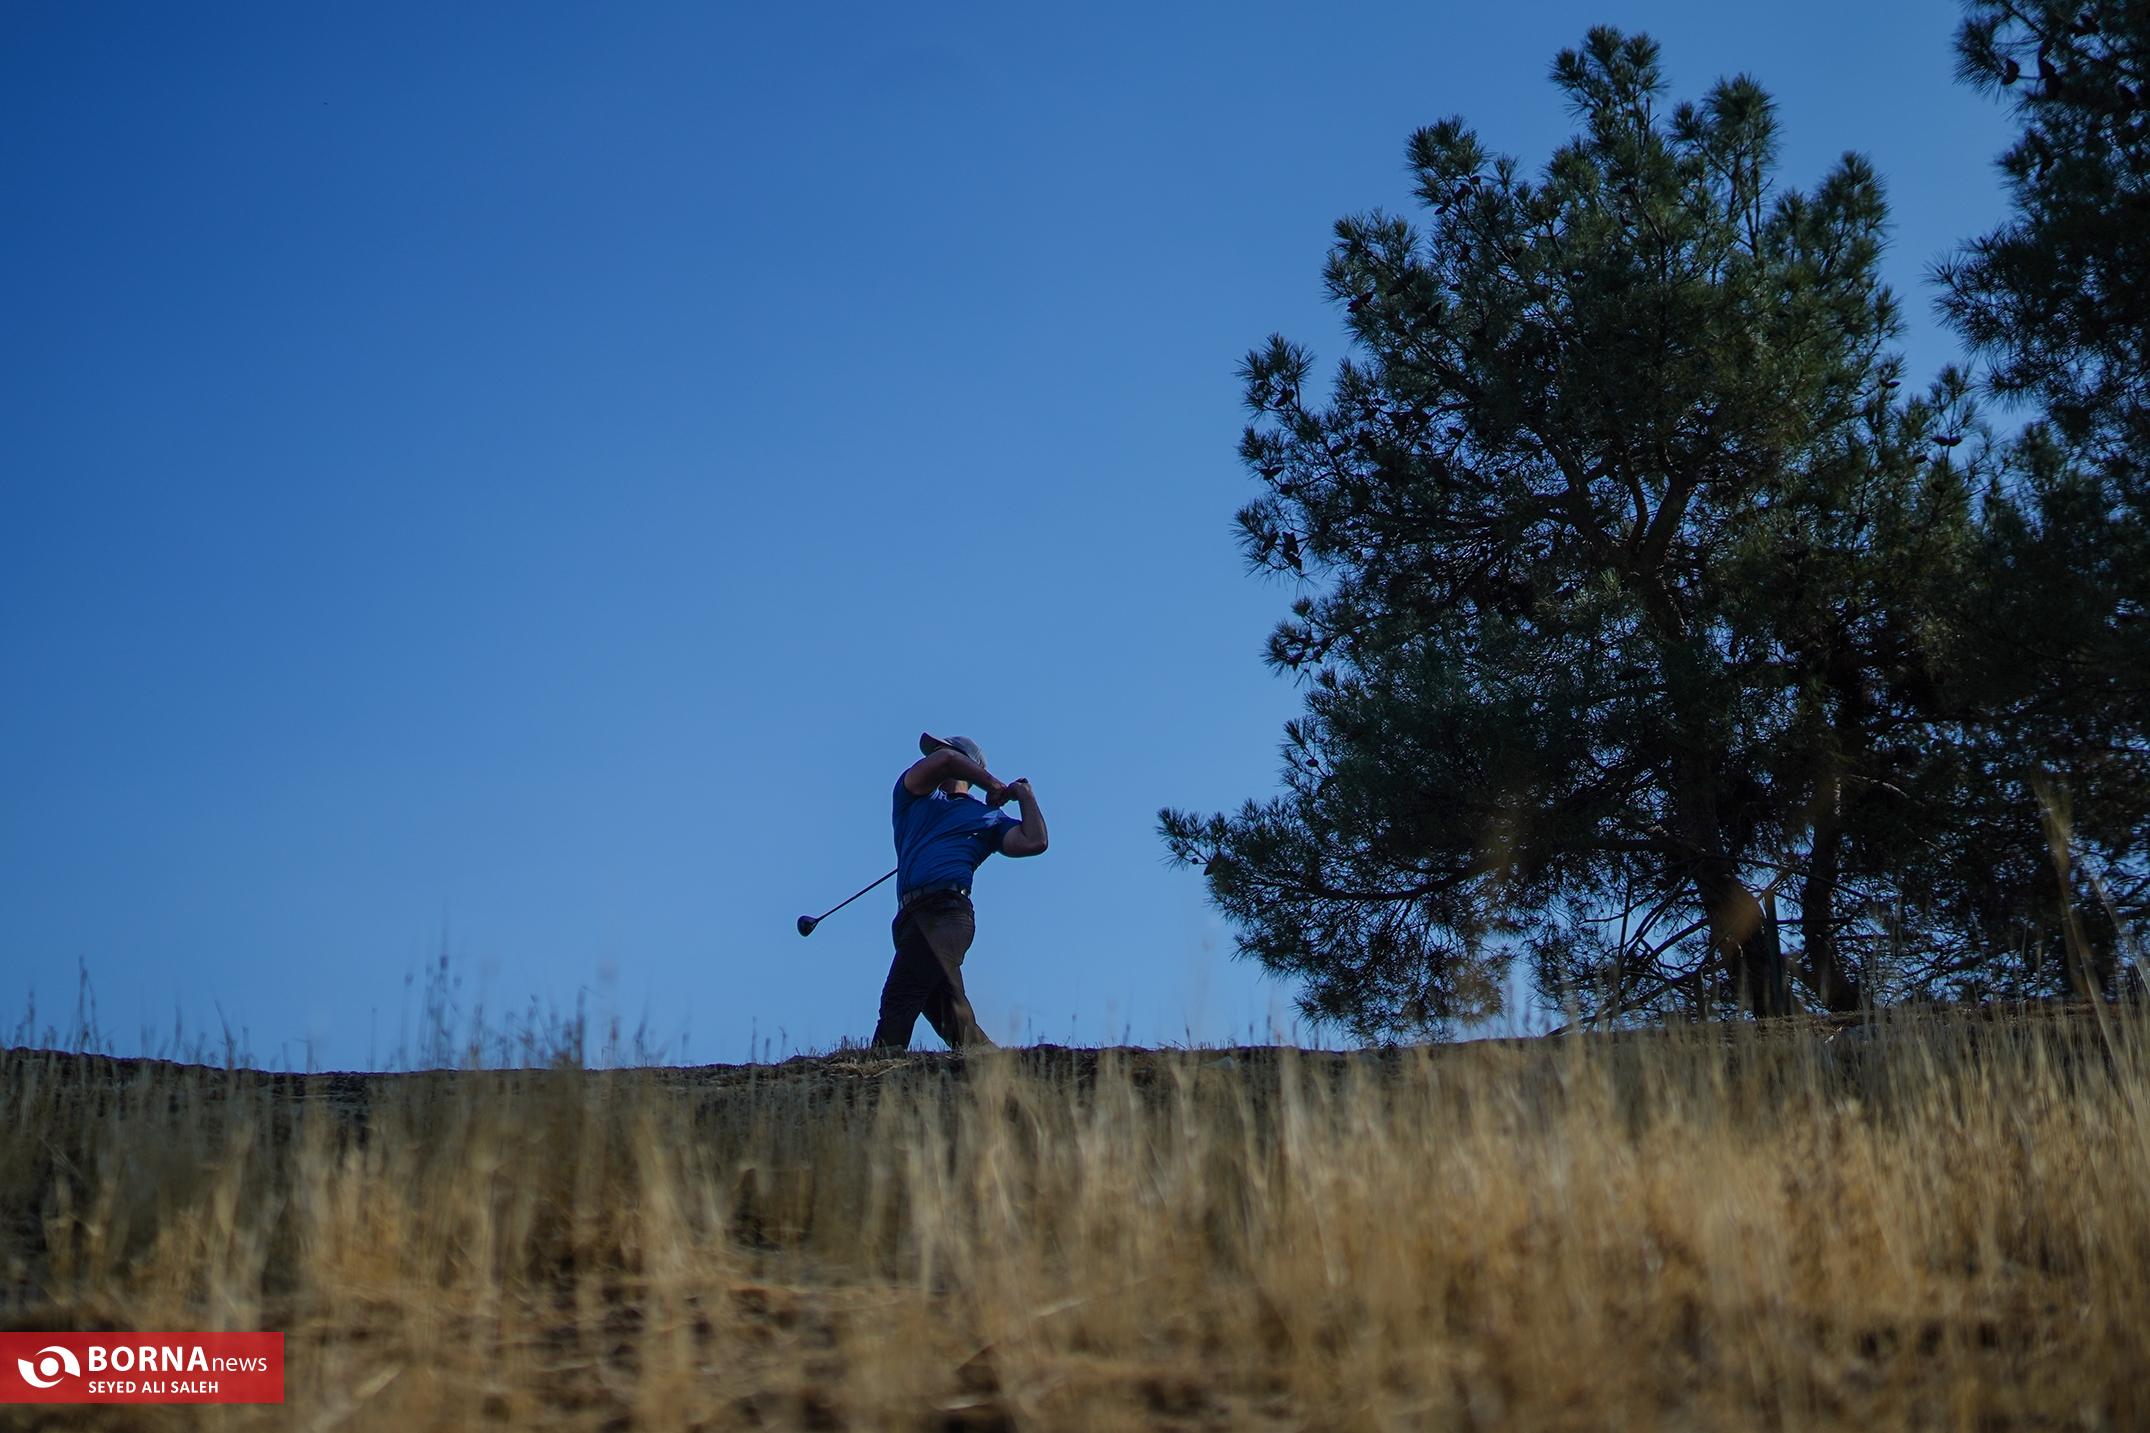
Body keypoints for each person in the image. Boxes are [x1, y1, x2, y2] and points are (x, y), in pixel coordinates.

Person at [871, 731, 1049, 1050]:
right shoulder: (913, 795)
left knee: (899, 996)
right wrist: (994, 784)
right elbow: (945, 760)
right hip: (909, 919)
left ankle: (875, 1070)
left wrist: (1025, 795)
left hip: (947, 913)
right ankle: (998, 1069)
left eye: (940, 750)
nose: (931, 758)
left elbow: (1035, 840)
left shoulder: (989, 818)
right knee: (952, 1018)